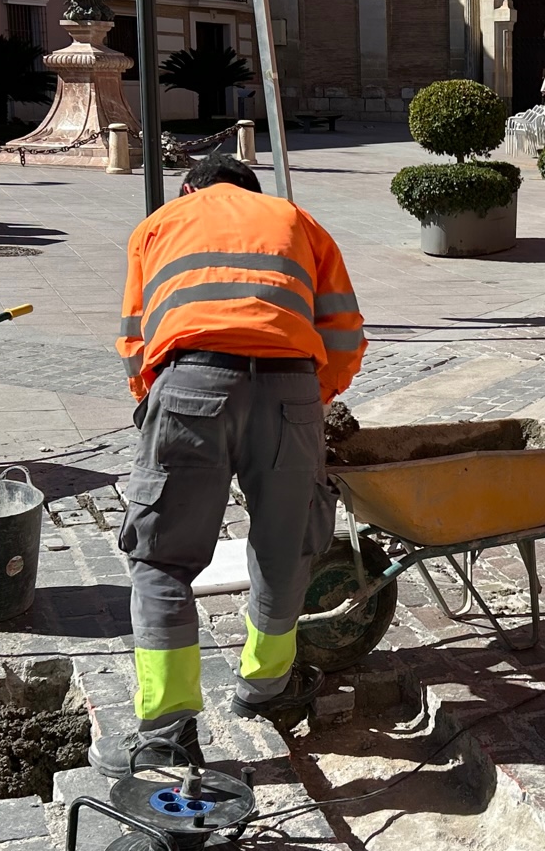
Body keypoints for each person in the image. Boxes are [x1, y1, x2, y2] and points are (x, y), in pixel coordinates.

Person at [96, 155, 368, 775]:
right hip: (291, 391)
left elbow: (136, 337)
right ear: (254, 190)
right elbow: (345, 334)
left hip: (191, 384)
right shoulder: (299, 221)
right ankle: (266, 689)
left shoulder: (160, 224)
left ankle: (166, 729)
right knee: (285, 548)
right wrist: (311, 397)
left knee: (162, 558)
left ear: (193, 188)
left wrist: (156, 402)